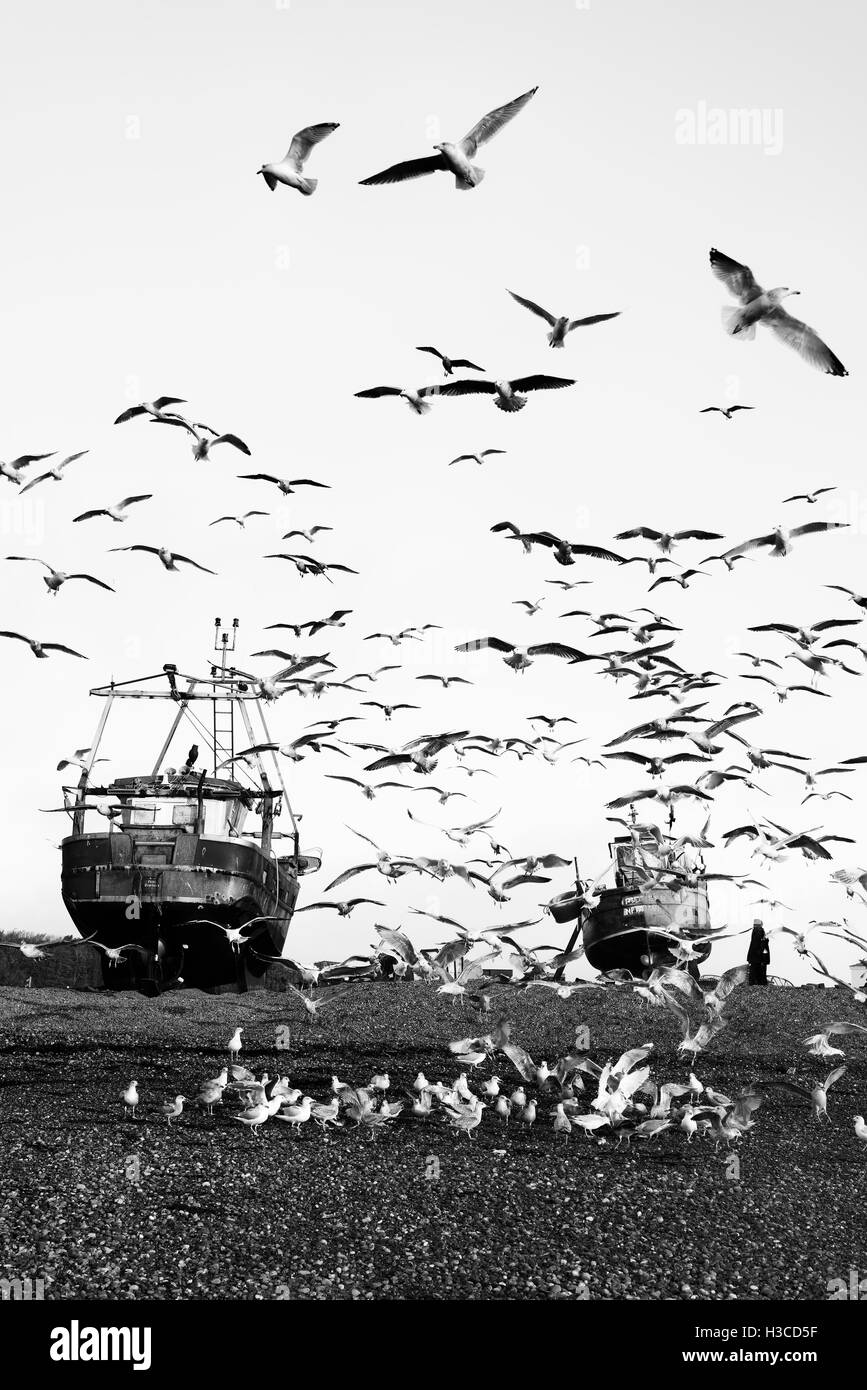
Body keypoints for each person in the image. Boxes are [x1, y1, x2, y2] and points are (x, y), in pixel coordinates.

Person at [747, 919, 770, 985]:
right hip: (759, 957)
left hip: (757, 957)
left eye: (755, 925)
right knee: (759, 974)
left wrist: (757, 955)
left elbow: (757, 945)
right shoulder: (760, 931)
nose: (754, 926)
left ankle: (756, 985)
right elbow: (761, 944)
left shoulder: (757, 931)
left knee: (756, 974)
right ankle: (758, 985)